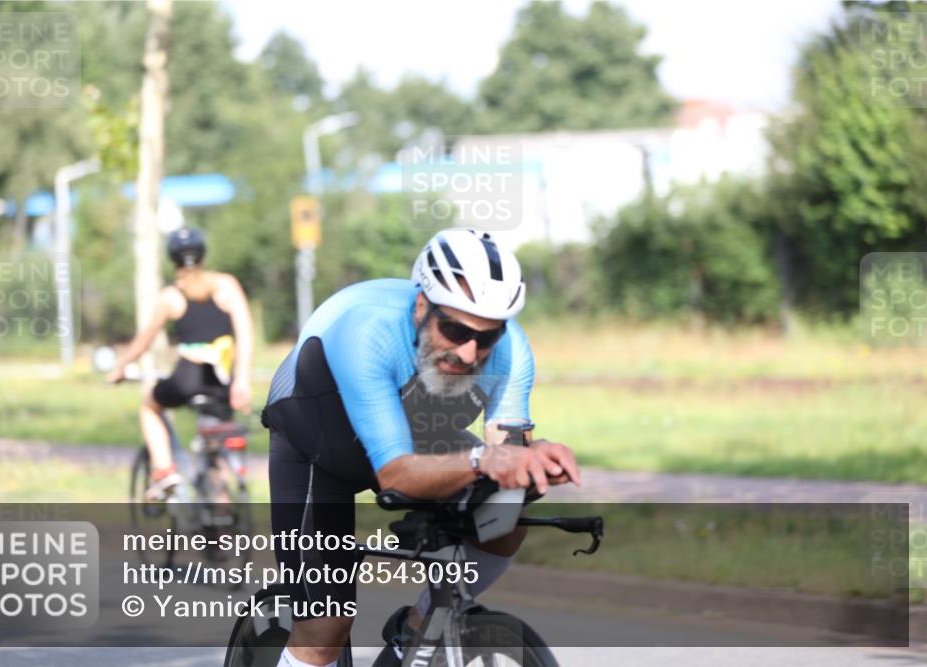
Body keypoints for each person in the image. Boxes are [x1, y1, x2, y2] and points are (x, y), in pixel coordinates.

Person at [261, 228, 581, 667]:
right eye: (454, 329)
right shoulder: (368, 333)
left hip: (414, 430)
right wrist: (485, 458)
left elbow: (505, 458)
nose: (470, 352)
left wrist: (532, 460)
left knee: (507, 515)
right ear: (421, 307)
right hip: (317, 440)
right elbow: (395, 474)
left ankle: (417, 631)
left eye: (486, 337)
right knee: (324, 628)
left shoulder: (511, 351)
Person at [106, 227, 254, 499]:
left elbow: (144, 340)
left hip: (189, 376)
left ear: (172, 259)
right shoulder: (227, 286)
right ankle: (222, 514)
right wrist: (242, 379)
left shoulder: (172, 296)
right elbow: (245, 333)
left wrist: (121, 367)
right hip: (222, 381)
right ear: (203, 255)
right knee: (215, 450)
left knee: (150, 406)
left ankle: (164, 472)